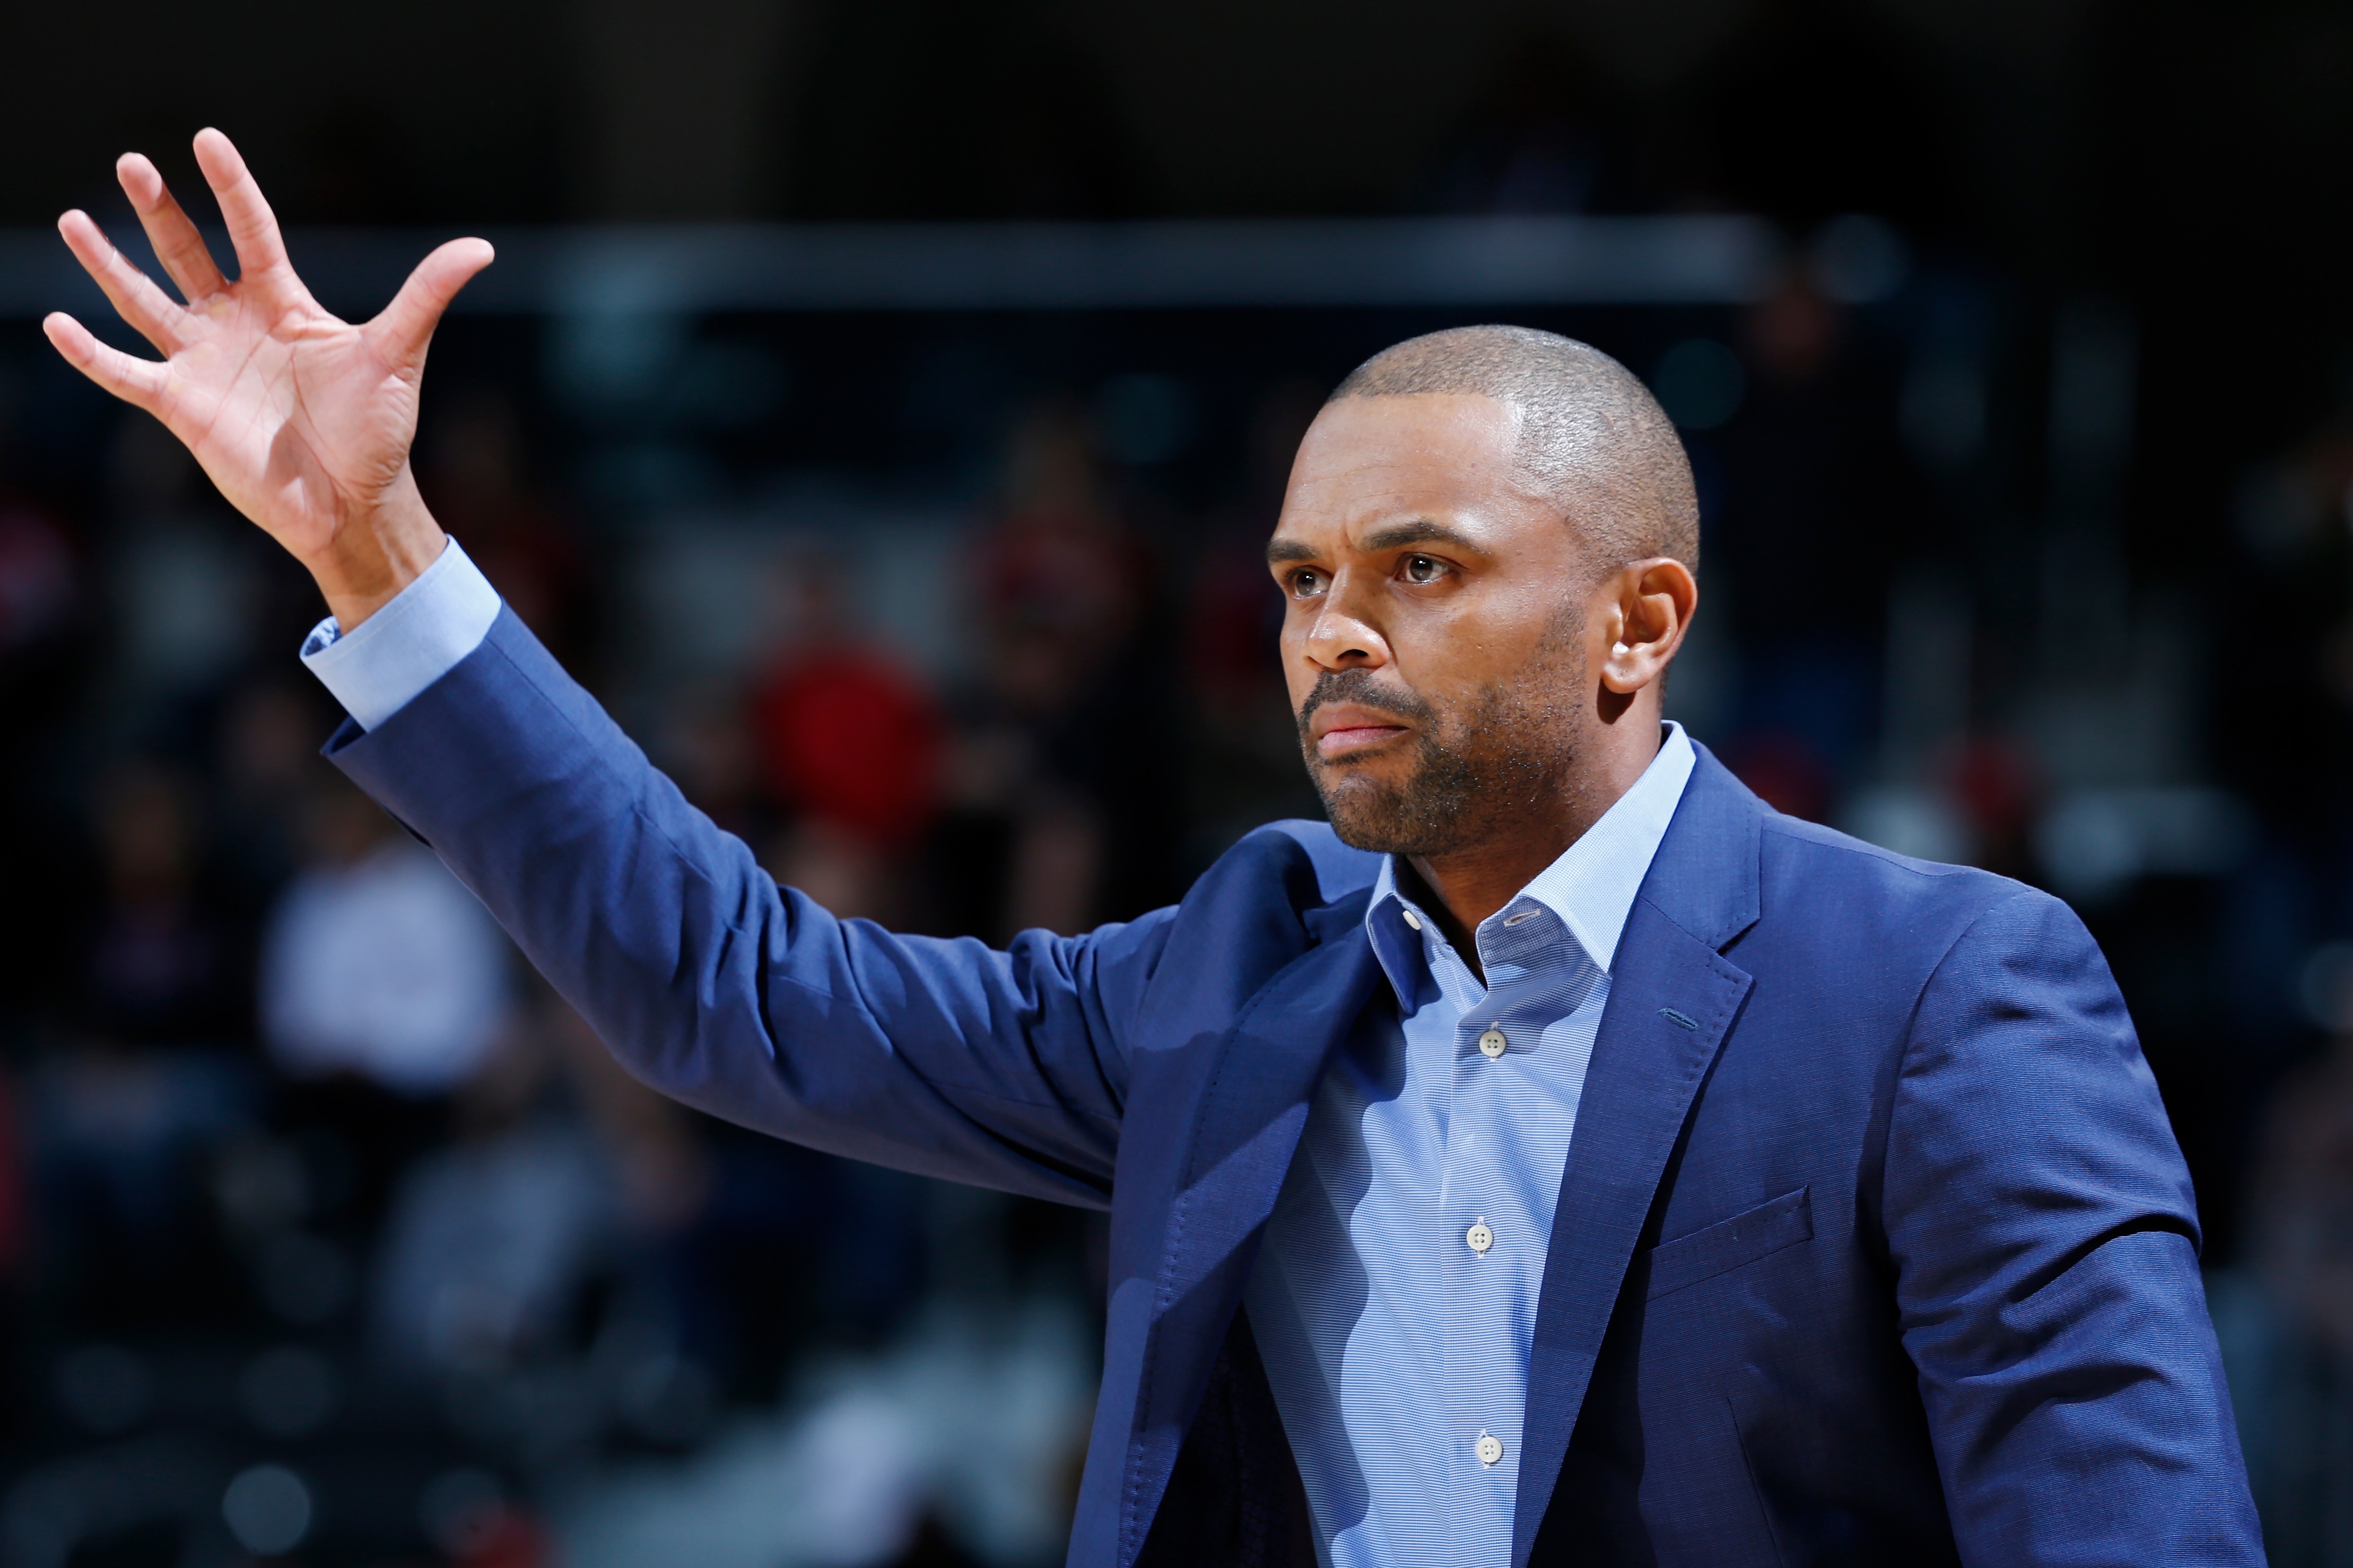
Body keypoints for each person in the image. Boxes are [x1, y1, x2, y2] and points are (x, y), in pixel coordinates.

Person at [45, 131, 2259, 1566]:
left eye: (1415, 563)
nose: (1333, 631)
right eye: (1301, 577)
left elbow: (2124, 1533)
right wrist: (373, 539)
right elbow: (741, 990)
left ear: (1636, 621)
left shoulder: (1941, 982)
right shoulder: (1236, 970)